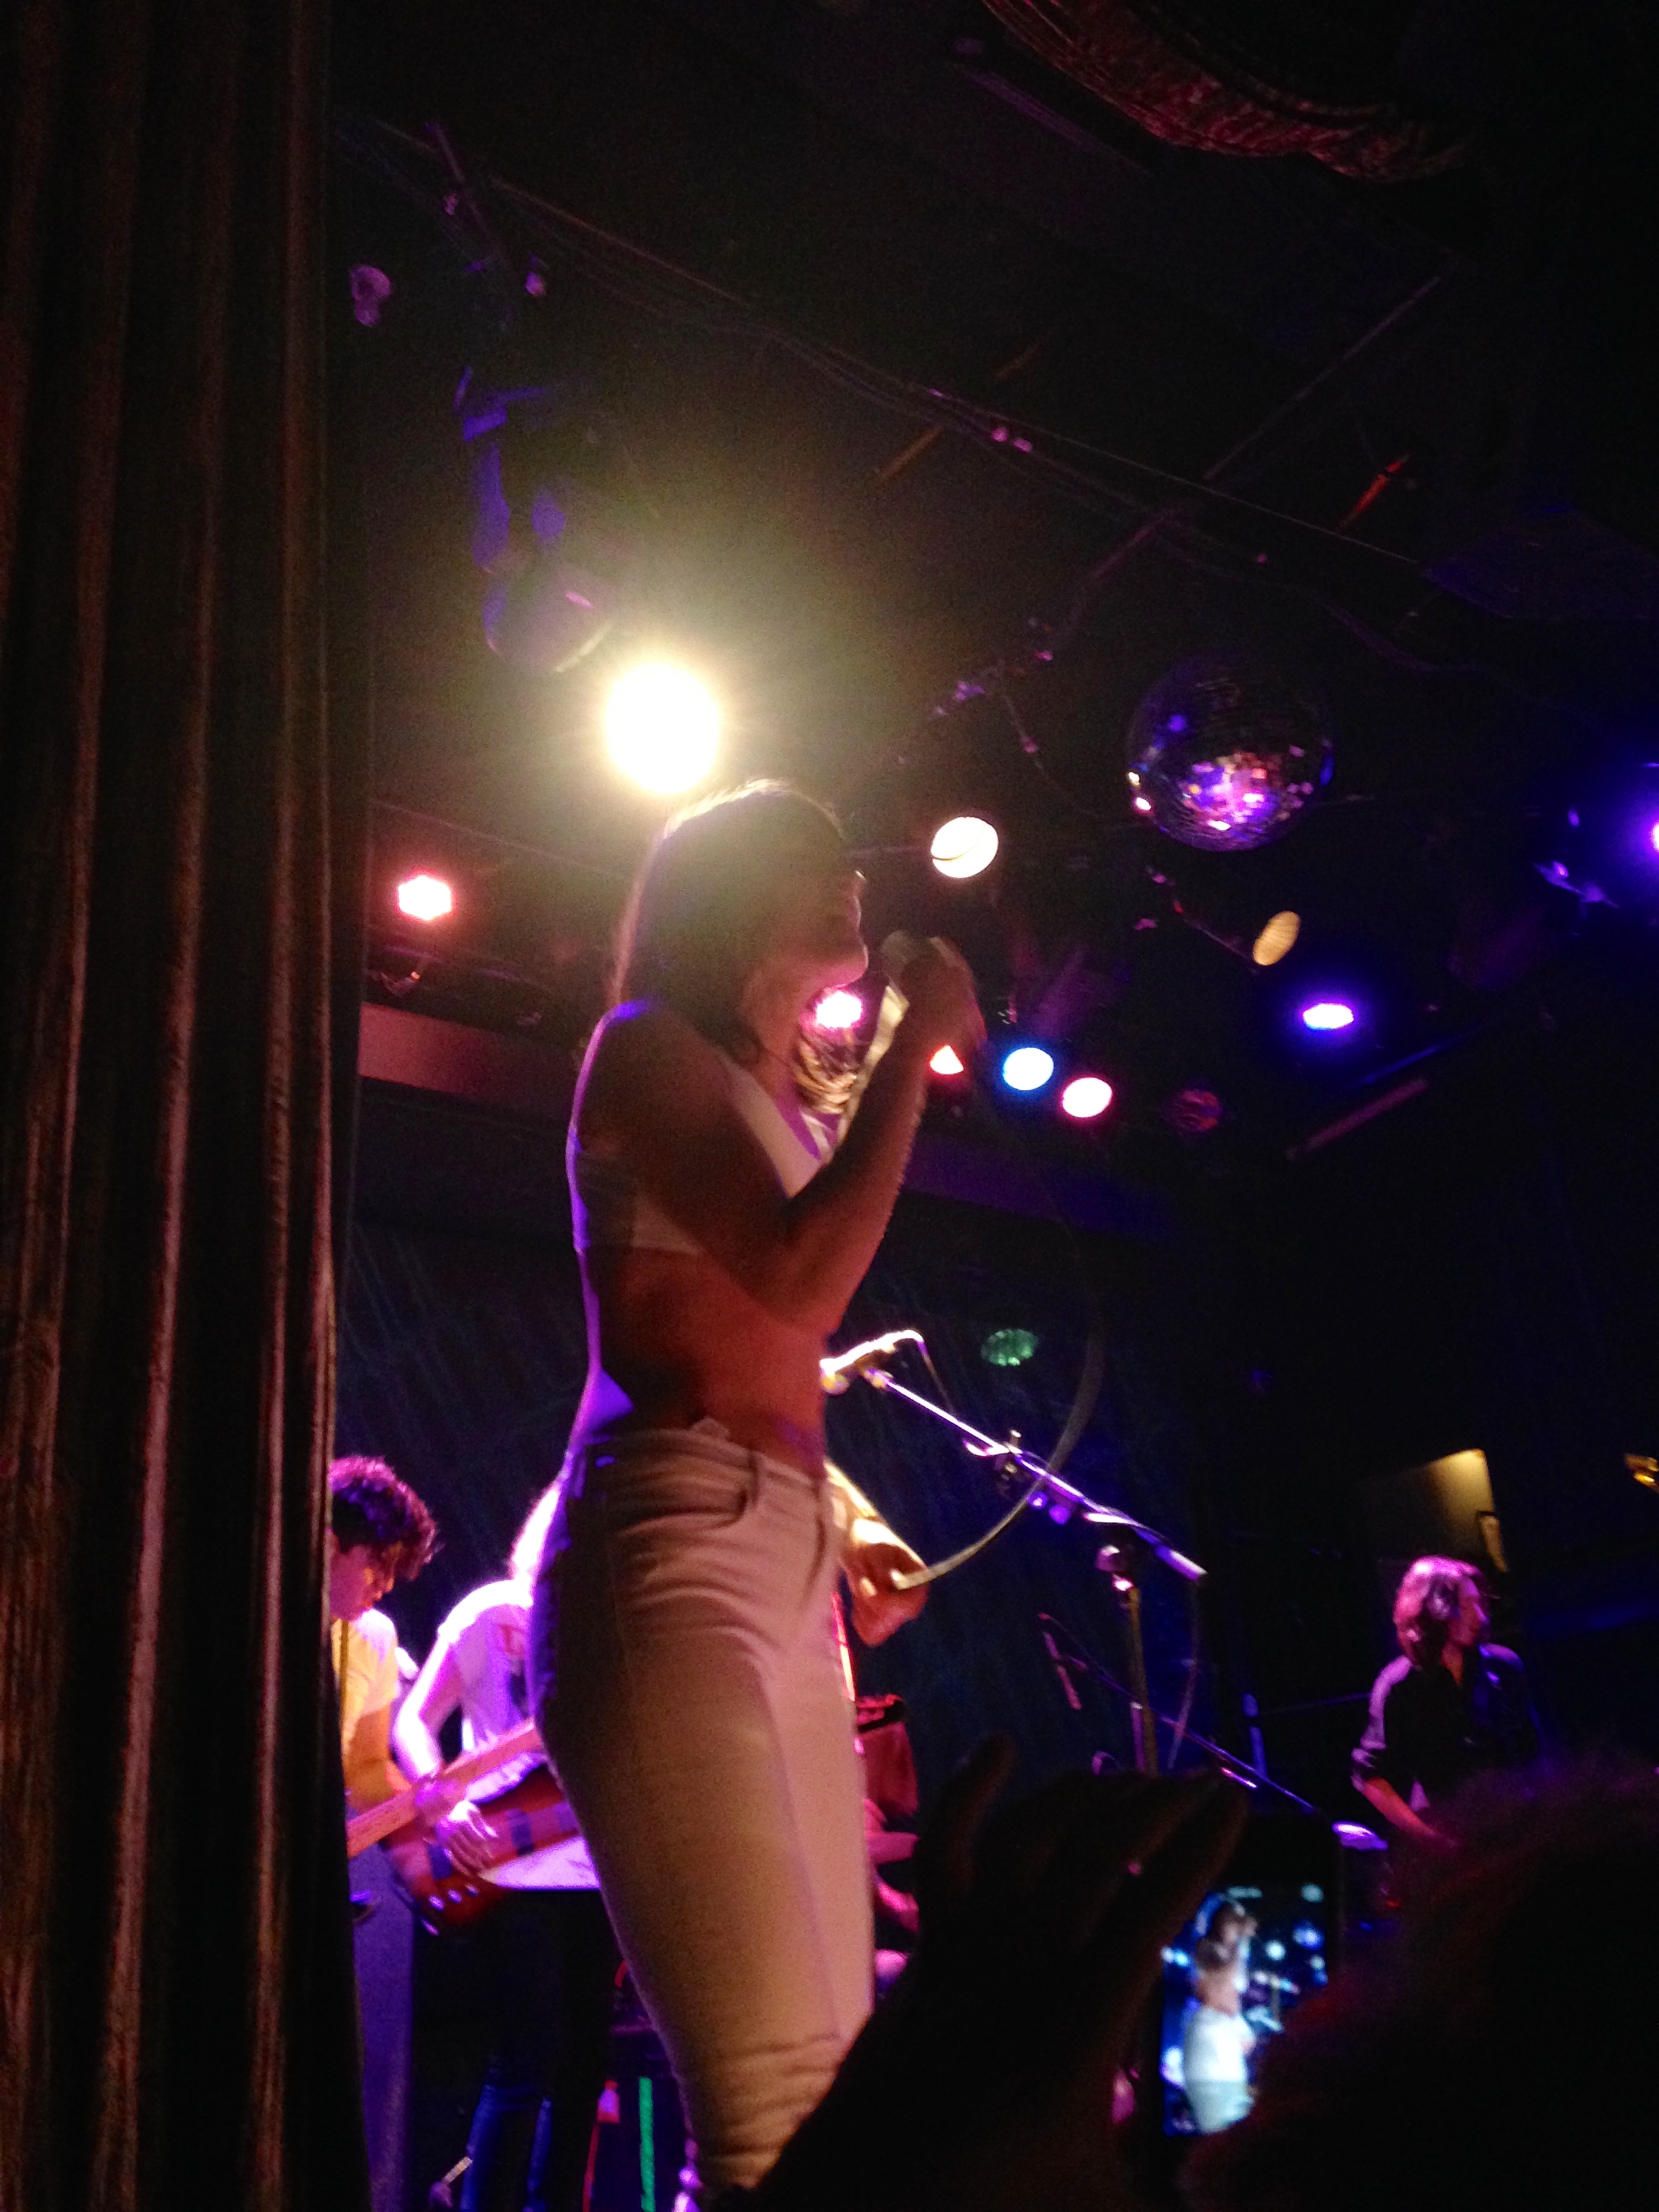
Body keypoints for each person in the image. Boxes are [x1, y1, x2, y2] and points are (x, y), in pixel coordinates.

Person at [527, 781, 984, 2206]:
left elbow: (766, 1337)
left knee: (839, 2087)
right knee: (775, 2113)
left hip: (780, 1555)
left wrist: (842, 1522)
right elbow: (798, 1277)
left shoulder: (775, 1096)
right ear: (728, 893)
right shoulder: (644, 1045)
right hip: (672, 1545)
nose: (853, 872)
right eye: (813, 852)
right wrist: (909, 1048)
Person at [394, 1486, 621, 2212]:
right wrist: (442, 1799)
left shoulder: (613, 1628)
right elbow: (414, 1720)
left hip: (598, 1874)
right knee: (527, 2060)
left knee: (583, 2072)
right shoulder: (493, 1612)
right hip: (508, 1866)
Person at [1351, 1555, 1538, 1845]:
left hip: (1513, 1830)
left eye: (1480, 1604)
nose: (1480, 1617)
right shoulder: (1398, 1685)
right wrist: (1429, 1838)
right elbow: (1372, 1778)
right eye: (1466, 1607)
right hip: (1447, 1838)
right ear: (1434, 1611)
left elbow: (1533, 1750)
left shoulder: (1504, 1665)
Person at [328, 1454, 438, 1811]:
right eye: (377, 1565)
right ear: (330, 1546)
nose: (387, 1585)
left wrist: (427, 1805)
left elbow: (365, 1769)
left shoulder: (375, 1636)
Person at [1181, 1900, 1257, 2133]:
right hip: (1211, 2027)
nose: (1235, 1935)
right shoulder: (1207, 1951)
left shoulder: (1237, 1954)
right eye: (1232, 1927)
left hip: (1225, 2023)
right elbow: (1217, 1986)